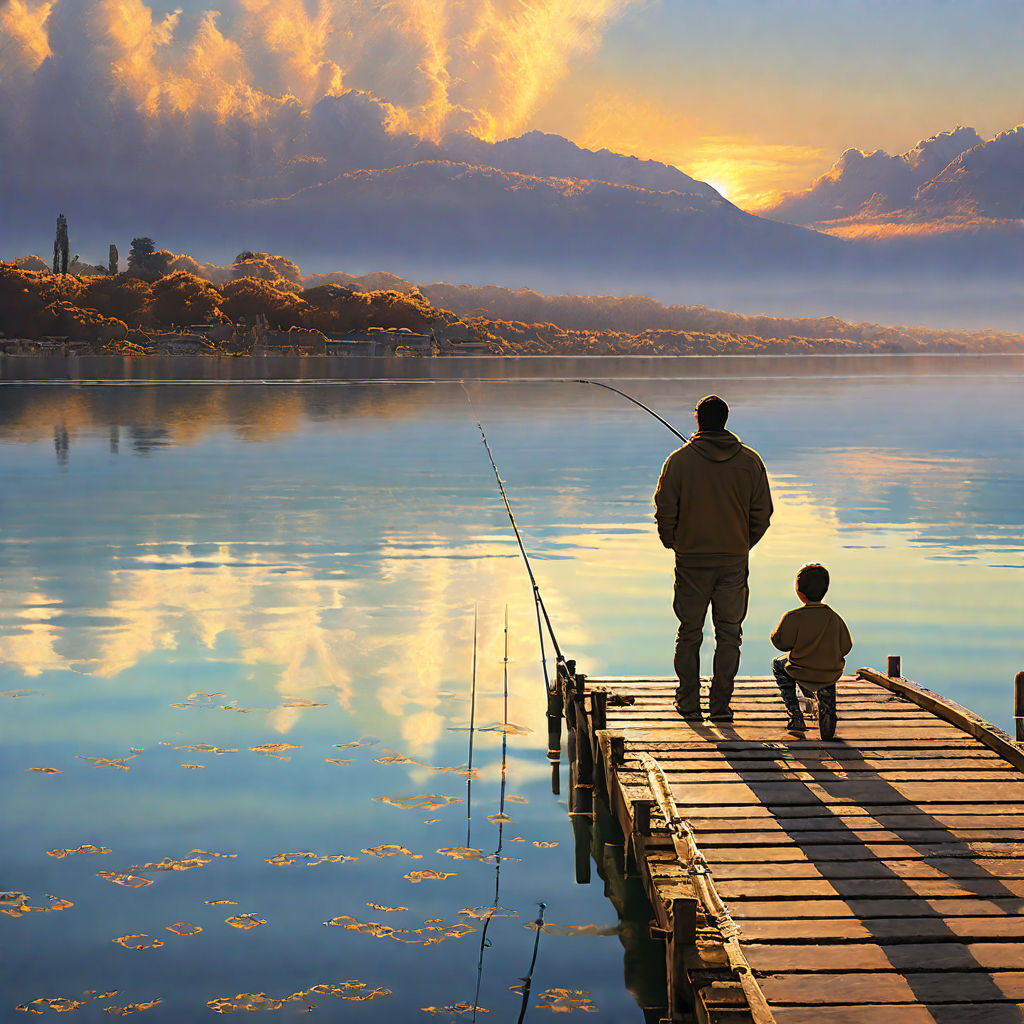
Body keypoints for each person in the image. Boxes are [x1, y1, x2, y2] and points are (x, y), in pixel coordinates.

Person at [653, 394, 773, 722]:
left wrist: (673, 541)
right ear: (725, 420)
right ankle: (720, 706)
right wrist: (742, 543)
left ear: (698, 421)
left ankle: (688, 703)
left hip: (691, 559)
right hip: (733, 559)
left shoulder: (678, 461)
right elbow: (763, 513)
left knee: (689, 632)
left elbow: (665, 509)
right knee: (730, 633)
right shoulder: (750, 462)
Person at [770, 562, 852, 739]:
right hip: (829, 672)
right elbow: (846, 646)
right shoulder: (834, 617)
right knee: (826, 676)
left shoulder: (793, 617)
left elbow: (780, 643)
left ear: (799, 592)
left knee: (778, 664)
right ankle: (827, 711)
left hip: (800, 670)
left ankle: (795, 714)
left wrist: (773, 635)